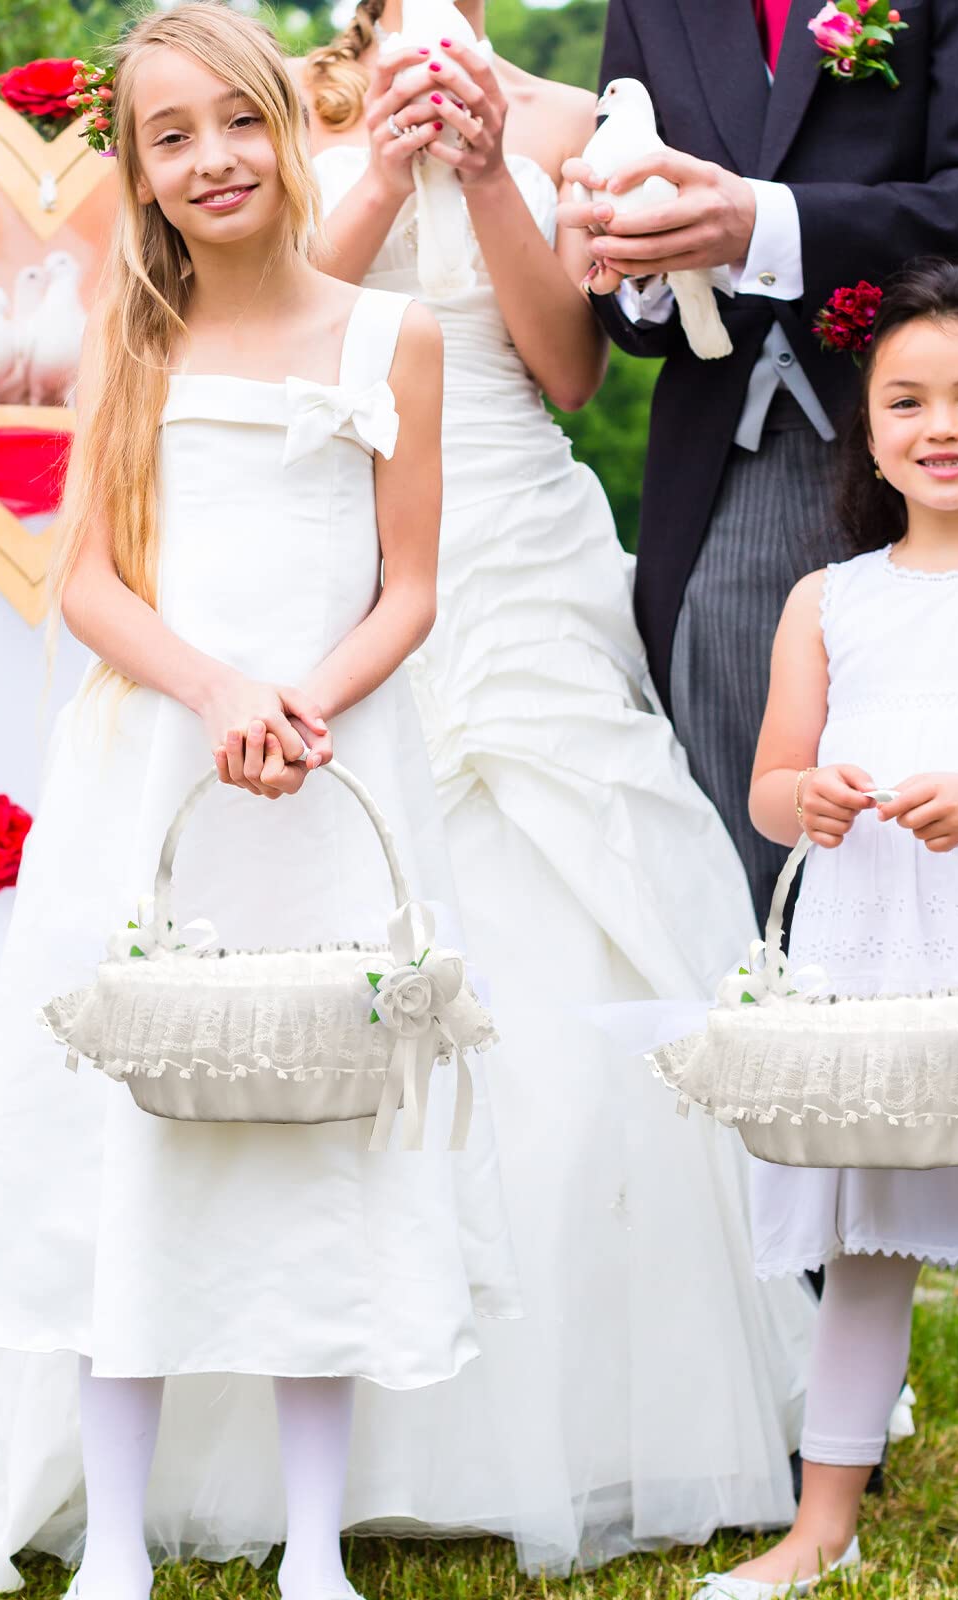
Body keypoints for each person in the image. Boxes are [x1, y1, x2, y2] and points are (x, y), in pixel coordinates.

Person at [0, 8, 518, 1596]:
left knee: (315, 1116)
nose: (210, 161)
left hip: (324, 773)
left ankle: (313, 1543)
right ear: (139, 171)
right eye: (168, 137)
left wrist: (302, 698)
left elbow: (409, 587)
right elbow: (91, 585)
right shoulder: (131, 337)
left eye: (236, 124)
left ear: (288, 132)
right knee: (136, 1125)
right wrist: (215, 692)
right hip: (163, 769)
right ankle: (114, 1535)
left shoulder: (394, 339)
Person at [294, 0, 815, 1568]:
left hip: (516, 529)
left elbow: (575, 369)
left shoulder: (575, 121)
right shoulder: (288, 110)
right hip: (333, 507)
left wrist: (493, 177)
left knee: (586, 912)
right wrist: (385, 173)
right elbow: (273, 324)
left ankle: (620, 1398)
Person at [697, 260, 958, 1600]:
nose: (943, 426)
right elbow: (772, 787)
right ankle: (822, 1526)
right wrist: (809, 797)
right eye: (909, 401)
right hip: (869, 961)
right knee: (866, 1237)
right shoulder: (830, 601)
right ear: (869, 427)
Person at [566, 0, 958, 929]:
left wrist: (763, 223)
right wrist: (632, 257)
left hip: (936, 474)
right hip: (724, 479)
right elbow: (637, 300)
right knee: (741, 882)